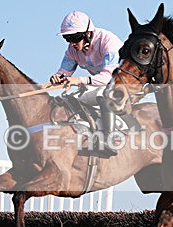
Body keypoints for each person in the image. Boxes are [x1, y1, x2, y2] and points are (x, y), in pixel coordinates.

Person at [50, 11, 122, 157]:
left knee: (104, 93)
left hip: (121, 84)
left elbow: (109, 78)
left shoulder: (108, 41)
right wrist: (57, 77)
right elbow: (64, 72)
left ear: (88, 33)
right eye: (67, 38)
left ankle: (109, 139)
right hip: (100, 84)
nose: (72, 43)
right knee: (72, 100)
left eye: (75, 38)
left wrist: (79, 80)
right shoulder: (72, 50)